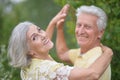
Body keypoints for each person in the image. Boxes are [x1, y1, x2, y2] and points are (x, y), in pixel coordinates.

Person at [7, 5, 113, 80]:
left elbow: (52, 47)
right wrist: (109, 52)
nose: (43, 35)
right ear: (29, 51)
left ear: (100, 32)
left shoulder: (27, 66)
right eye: (34, 38)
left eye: (39, 30)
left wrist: (54, 24)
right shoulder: (48, 70)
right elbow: (93, 74)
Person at [55, 5, 112, 80]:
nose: (81, 31)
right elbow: (62, 54)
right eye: (79, 25)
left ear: (100, 33)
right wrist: (60, 29)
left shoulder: (96, 59)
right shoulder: (84, 52)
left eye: (87, 27)